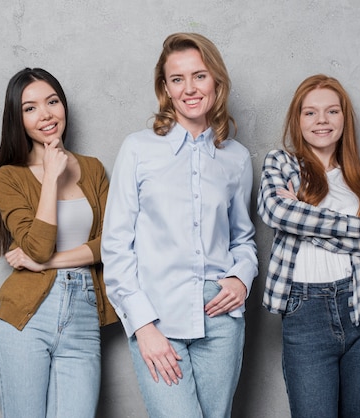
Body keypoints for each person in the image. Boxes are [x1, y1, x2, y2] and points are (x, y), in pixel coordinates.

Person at [101, 32, 258, 418]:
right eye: (177, 79)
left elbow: (244, 238)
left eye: (199, 76)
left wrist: (241, 278)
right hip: (157, 315)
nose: (190, 88)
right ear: (165, 89)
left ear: (216, 82)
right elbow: (116, 248)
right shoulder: (137, 149)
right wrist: (143, 328)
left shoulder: (235, 158)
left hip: (221, 318)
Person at [257, 74, 360, 418]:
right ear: (298, 119)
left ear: (344, 119)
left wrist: (305, 218)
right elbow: (276, 212)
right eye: (311, 113)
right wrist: (358, 226)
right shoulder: (282, 164)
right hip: (304, 312)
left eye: (332, 111)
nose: (322, 120)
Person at [0, 67, 118, 418]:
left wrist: (47, 264)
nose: (45, 114)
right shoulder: (8, 178)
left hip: (83, 318)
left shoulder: (92, 169)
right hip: (27, 319)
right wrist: (50, 178)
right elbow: (36, 248)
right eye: (30, 108)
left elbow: (112, 244)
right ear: (17, 119)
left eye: (52, 101)